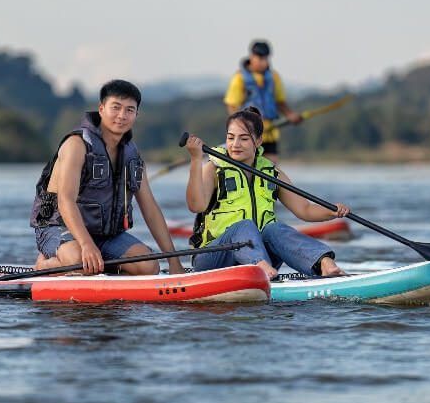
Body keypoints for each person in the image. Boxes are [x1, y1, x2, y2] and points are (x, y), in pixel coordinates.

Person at [31, 79, 184, 276]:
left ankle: (97, 263)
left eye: (129, 110)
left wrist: (173, 261)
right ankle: (46, 265)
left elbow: (150, 208)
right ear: (101, 109)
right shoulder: (76, 145)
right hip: (57, 227)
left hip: (105, 235)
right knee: (79, 262)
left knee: (149, 267)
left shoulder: (132, 154)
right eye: (116, 107)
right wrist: (86, 244)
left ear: (136, 114)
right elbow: (65, 200)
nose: (122, 116)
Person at [182, 107, 348, 280]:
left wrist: (332, 211)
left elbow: (305, 210)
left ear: (259, 141)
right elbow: (195, 205)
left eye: (244, 138)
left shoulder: (271, 172)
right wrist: (195, 160)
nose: (235, 144)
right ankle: (260, 268)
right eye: (230, 138)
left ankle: (323, 264)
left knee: (274, 228)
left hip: (261, 258)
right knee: (245, 226)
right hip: (214, 258)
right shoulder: (214, 168)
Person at [223, 39, 301, 163]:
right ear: (251, 56)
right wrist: (240, 128)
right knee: (250, 165)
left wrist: (290, 115)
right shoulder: (240, 78)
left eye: (265, 58)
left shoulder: (274, 77)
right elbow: (232, 106)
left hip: (270, 132)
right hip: (249, 133)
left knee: (271, 166)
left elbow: (280, 102)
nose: (262, 62)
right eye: (259, 58)